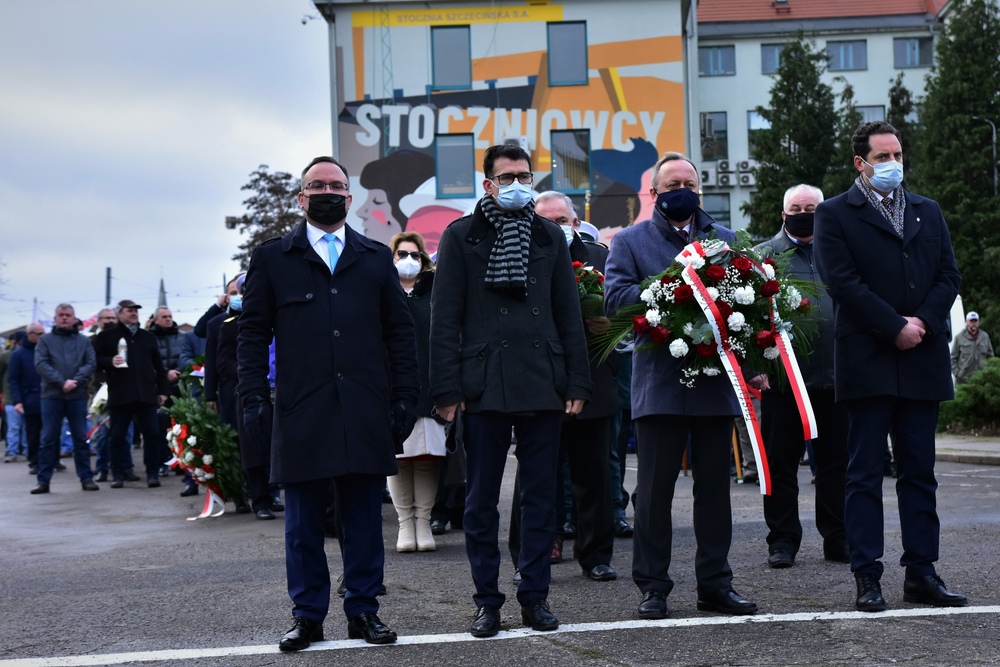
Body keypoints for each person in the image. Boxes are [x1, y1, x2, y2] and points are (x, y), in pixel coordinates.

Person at [237, 155, 418, 649]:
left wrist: (406, 395)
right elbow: (251, 334)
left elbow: (400, 334)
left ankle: (364, 610)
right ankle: (307, 615)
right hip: (301, 411)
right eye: (317, 186)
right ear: (301, 198)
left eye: (336, 186)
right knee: (302, 526)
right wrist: (252, 396)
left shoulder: (374, 258)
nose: (327, 192)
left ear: (349, 197)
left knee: (363, 521)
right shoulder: (273, 258)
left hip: (364, 408)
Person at [430, 144, 593, 638]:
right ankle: (487, 601)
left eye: (525, 176)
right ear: (488, 184)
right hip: (484, 382)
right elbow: (444, 319)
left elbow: (568, 313)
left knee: (541, 499)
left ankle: (535, 598)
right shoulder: (461, 235)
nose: (518, 184)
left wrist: (578, 380)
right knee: (481, 502)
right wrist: (446, 388)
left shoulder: (549, 235)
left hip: (543, 378)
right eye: (507, 177)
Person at [814, 120, 966, 611]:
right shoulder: (835, 213)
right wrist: (893, 325)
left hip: (922, 356)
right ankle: (867, 575)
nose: (893, 164)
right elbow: (842, 282)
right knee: (864, 473)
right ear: (860, 163)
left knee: (919, 472)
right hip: (868, 358)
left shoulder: (927, 210)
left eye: (897, 155)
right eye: (882, 157)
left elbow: (949, 275)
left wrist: (920, 321)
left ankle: (922, 572)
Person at [604, 152, 757, 619]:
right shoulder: (629, 241)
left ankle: (715, 584)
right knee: (654, 494)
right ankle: (653, 587)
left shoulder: (725, 240)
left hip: (714, 385)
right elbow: (616, 301)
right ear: (655, 193)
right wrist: (675, 289)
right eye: (672, 185)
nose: (682, 191)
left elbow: (747, 307)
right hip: (660, 386)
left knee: (715, 492)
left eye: (689, 183)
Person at [752, 184, 849, 569]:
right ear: (783, 214)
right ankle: (782, 540)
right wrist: (755, 366)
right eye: (796, 208)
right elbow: (746, 319)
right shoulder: (762, 257)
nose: (804, 214)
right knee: (780, 465)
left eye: (812, 208)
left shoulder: (842, 250)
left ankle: (838, 538)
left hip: (837, 379)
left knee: (836, 465)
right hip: (783, 382)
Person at [533, 190, 618, 582]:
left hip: (594, 375)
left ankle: (595, 552)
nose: (557, 228)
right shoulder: (522, 255)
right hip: (540, 379)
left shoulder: (601, 257)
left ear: (576, 223)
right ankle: (540, 547)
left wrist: (609, 324)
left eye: (562, 221)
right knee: (539, 474)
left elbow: (623, 310)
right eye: (547, 221)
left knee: (594, 473)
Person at [385, 231, 445, 553]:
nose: (408, 260)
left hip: (429, 387)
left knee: (425, 459)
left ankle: (423, 522)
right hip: (393, 388)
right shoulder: (383, 290)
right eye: (402, 254)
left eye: (415, 254)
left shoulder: (435, 291)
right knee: (397, 458)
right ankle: (405, 524)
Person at [92, 300, 169, 489]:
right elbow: (95, 360)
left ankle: (152, 473)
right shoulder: (107, 336)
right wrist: (110, 361)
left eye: (135, 311)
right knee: (117, 436)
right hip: (121, 394)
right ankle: (118, 475)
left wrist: (163, 391)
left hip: (146, 395)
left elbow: (159, 367)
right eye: (129, 311)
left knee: (152, 435)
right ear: (120, 314)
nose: (134, 313)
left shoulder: (147, 337)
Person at [31, 304, 98, 493]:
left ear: (74, 319)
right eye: (61, 315)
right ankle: (43, 481)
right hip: (52, 396)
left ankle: (86, 478)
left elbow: (90, 363)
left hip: (77, 396)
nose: (64, 318)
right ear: (55, 319)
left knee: (80, 439)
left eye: (68, 315)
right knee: (48, 439)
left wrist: (75, 381)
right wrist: (62, 382)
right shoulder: (45, 340)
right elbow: (41, 364)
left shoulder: (83, 341)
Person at [9, 326, 46, 476]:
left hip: (49, 397)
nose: (42, 336)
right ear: (30, 334)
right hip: (30, 399)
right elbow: (13, 379)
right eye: (39, 334)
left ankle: (53, 459)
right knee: (33, 433)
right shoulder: (19, 354)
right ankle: (35, 462)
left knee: (51, 431)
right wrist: (17, 401)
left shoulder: (46, 350)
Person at [2, 331, 26, 463]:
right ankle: (12, 451)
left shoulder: (32, 353)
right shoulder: (6, 356)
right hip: (10, 397)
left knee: (26, 427)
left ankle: (27, 451)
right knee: (13, 427)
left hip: (27, 396)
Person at [951, 311, 993, 384]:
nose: (973, 323)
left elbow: (990, 356)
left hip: (981, 379)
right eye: (971, 321)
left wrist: (988, 372)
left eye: (975, 321)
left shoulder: (985, 336)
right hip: (963, 380)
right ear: (967, 322)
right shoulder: (959, 337)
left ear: (978, 322)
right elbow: (953, 358)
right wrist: (957, 373)